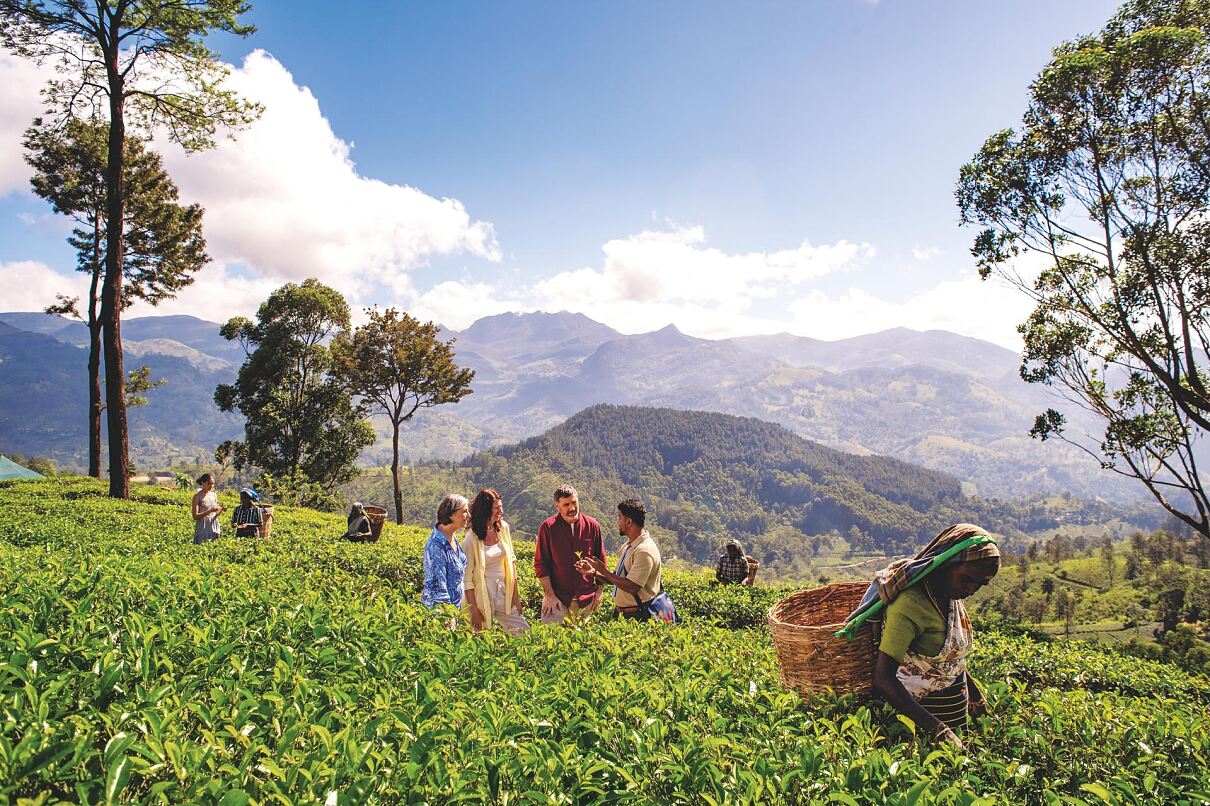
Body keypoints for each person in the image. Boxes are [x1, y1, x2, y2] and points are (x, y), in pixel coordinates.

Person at [842, 523, 1001, 750]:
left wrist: (976, 698)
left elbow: (951, 660)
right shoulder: (910, 604)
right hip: (918, 734)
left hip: (955, 728)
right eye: (967, 579)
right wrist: (938, 730)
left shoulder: (951, 596)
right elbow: (884, 679)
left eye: (981, 584)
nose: (972, 589)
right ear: (947, 563)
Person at [576, 498, 675, 623]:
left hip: (639, 615)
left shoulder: (644, 550)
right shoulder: (628, 546)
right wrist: (595, 573)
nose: (618, 521)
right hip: (622, 614)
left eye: (619, 517)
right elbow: (616, 579)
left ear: (628, 521)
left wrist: (603, 571)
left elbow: (633, 587)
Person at [534, 484, 606, 624]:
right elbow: (541, 564)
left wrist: (599, 591)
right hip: (556, 600)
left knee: (586, 644)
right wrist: (549, 595)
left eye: (574, 503)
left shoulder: (592, 526)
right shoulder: (548, 528)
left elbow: (601, 561)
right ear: (557, 506)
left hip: (587, 600)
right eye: (566, 504)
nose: (572, 508)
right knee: (550, 642)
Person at [462, 489, 529, 634]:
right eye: (497, 508)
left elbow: (512, 561)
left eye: (501, 507)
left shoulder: (502, 528)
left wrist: (515, 596)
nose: (501, 511)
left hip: (504, 589)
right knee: (478, 636)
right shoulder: (471, 538)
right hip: (482, 592)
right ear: (486, 510)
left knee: (522, 632)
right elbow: (467, 579)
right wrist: (473, 610)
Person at [422, 494, 469, 609]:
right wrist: (448, 616)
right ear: (452, 514)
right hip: (441, 613)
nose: (468, 516)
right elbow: (438, 586)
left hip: (455, 608)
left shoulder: (452, 537)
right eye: (464, 512)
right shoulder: (436, 544)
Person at [191, 473, 223, 544]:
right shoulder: (197, 497)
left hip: (213, 526)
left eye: (213, 484)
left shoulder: (214, 495)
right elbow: (195, 516)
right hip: (203, 528)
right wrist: (210, 510)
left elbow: (215, 514)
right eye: (209, 483)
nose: (211, 486)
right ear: (203, 482)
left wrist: (221, 510)